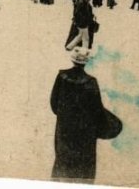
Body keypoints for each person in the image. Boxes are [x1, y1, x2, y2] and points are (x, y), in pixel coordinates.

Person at [50, 47, 119, 182]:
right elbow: (97, 111)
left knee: (63, 164)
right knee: (83, 170)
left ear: (73, 60)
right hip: (85, 134)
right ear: (86, 62)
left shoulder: (61, 77)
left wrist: (66, 116)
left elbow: (54, 104)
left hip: (65, 130)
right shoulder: (91, 82)